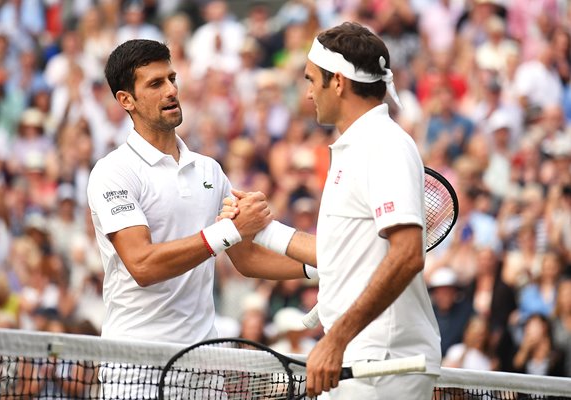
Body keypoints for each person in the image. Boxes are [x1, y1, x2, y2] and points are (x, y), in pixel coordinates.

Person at [225, 22, 441, 399]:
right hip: (361, 359)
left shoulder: (383, 144)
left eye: (312, 80)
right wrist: (261, 228)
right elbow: (338, 255)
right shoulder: (358, 145)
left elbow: (408, 255)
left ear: (338, 82)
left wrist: (336, 339)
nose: (308, 93)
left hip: (382, 363)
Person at [87, 38, 307, 397]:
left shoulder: (210, 170)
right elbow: (142, 265)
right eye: (156, 83)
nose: (171, 90)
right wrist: (228, 230)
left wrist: (319, 267)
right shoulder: (113, 172)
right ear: (125, 100)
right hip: (136, 368)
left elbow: (247, 258)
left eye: (172, 78)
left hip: (203, 366)